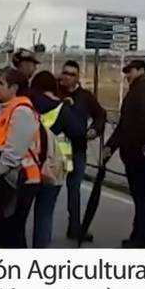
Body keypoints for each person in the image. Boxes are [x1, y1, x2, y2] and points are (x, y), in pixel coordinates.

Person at [104, 59, 145, 248]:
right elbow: (126, 124)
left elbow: (144, 121)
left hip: (138, 154)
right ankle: (140, 236)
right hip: (135, 152)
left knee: (142, 198)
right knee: (140, 198)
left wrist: (144, 144)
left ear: (141, 70)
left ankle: (143, 238)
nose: (127, 75)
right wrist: (111, 146)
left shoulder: (144, 89)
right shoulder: (140, 89)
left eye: (130, 71)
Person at [0, 68, 42, 248]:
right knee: (4, 233)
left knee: (12, 234)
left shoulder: (21, 112)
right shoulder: (7, 110)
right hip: (10, 179)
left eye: (1, 84)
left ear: (14, 88)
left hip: (19, 179)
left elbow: (14, 152)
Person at [29, 70, 85, 248]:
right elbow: (78, 131)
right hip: (54, 164)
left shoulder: (26, 103)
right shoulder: (62, 108)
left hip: (28, 162)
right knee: (45, 213)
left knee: (19, 213)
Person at [58, 59, 107, 242]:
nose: (67, 77)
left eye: (71, 74)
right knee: (49, 188)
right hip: (56, 148)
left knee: (74, 188)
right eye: (65, 72)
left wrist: (95, 129)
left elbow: (101, 114)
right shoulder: (55, 92)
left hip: (77, 148)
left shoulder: (85, 96)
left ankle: (75, 227)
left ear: (78, 77)